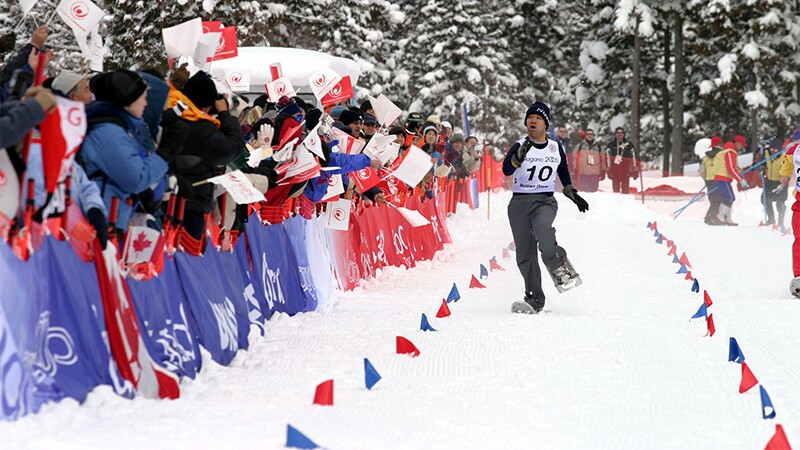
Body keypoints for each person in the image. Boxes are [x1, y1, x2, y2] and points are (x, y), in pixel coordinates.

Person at [502, 101, 589, 314]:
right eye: (530, 117)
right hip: (519, 203)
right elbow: (506, 169)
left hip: (544, 201)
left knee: (543, 229)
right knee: (525, 254)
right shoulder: (519, 144)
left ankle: (562, 269)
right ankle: (534, 299)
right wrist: (516, 159)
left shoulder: (554, 146)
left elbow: (562, 169)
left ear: (546, 124)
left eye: (538, 118)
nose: (532, 120)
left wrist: (570, 190)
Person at [79, 69, 169, 232]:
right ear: (130, 101)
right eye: (143, 98)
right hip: (101, 222)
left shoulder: (121, 128)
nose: (146, 103)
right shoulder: (109, 133)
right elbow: (135, 179)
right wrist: (164, 155)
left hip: (112, 218)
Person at [777, 137, 800, 297]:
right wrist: (784, 175)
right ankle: (798, 277)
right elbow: (787, 158)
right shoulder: (796, 150)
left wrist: (785, 176)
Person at [712, 141, 748, 225]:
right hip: (723, 177)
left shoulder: (724, 153)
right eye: (741, 145)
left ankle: (727, 218)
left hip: (722, 178)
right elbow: (731, 168)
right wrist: (740, 180)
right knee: (729, 197)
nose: (741, 147)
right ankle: (720, 216)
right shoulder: (730, 152)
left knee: (728, 198)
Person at [760, 138, 787, 229]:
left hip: (781, 181)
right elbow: (761, 162)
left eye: (775, 150)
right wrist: (762, 167)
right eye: (771, 149)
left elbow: (788, 172)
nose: (773, 152)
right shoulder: (767, 154)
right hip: (770, 181)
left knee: (780, 202)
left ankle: (780, 222)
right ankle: (771, 219)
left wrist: (782, 185)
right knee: (764, 199)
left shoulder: (784, 157)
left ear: (779, 150)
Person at [605, 127, 638, 194]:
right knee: (616, 192)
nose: (619, 134)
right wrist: (608, 169)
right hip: (615, 171)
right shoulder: (611, 145)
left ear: (623, 134)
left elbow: (634, 157)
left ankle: (625, 203)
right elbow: (607, 157)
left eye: (621, 133)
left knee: (625, 192)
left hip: (625, 172)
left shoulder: (629, 145)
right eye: (618, 133)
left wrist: (635, 169)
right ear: (615, 134)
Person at [699, 137, 723, 226]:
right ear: (720, 144)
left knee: (713, 199)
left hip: (709, 180)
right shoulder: (722, 154)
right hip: (719, 179)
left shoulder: (705, 157)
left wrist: (706, 179)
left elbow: (701, 170)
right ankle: (710, 217)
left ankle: (712, 217)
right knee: (719, 199)